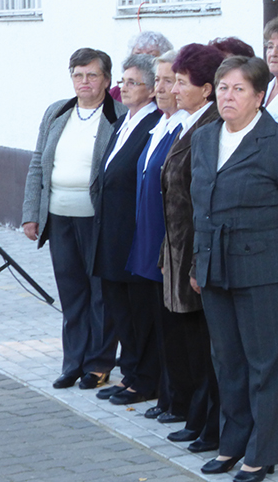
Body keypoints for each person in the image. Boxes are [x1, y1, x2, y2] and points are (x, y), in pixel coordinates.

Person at [192, 56, 278, 481]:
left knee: (265, 365)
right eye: (223, 87)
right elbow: (198, 207)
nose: (228, 96)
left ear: (259, 96)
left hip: (266, 272)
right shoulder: (205, 138)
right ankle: (232, 444)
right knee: (227, 362)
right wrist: (199, 260)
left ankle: (261, 454)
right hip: (215, 268)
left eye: (239, 89)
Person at [22, 48, 127, 389]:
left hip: (98, 218)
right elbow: (39, 162)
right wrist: (30, 213)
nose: (84, 82)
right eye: (78, 75)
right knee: (72, 292)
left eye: (92, 75)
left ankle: (98, 363)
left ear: (107, 80)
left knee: (100, 293)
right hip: (59, 216)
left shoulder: (119, 116)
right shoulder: (57, 112)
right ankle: (74, 361)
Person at [159, 43, 225, 448]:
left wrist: (196, 261)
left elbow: (202, 199)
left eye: (182, 83)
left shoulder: (210, 126)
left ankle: (210, 422)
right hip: (179, 249)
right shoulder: (190, 122)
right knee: (190, 340)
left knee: (206, 345)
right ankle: (196, 415)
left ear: (206, 89)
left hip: (199, 253)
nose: (174, 90)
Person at [121, 50, 190, 425]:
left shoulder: (183, 127)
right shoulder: (160, 125)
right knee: (158, 324)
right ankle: (166, 394)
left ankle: (175, 396)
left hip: (171, 242)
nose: (164, 88)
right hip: (149, 238)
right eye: (161, 81)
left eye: (171, 81)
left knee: (174, 327)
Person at [89, 53, 162, 404]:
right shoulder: (123, 122)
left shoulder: (154, 125)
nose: (123, 88)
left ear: (151, 90)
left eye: (132, 82)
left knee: (139, 313)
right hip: (111, 234)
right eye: (123, 80)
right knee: (119, 310)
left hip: (133, 235)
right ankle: (130, 372)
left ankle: (144, 379)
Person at [109, 31, 174, 101]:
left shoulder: (168, 94)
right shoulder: (116, 92)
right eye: (138, 54)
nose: (142, 61)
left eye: (151, 56)